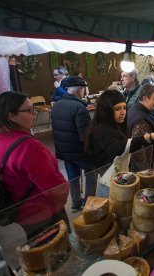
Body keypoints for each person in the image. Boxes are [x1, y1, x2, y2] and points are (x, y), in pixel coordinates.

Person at [0, 91, 69, 239]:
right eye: (29, 110)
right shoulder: (28, 147)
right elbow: (54, 189)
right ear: (11, 115)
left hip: (19, 210)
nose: (34, 113)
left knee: (39, 249)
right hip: (42, 212)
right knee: (59, 249)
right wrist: (65, 186)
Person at [84, 90, 154, 169]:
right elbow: (118, 148)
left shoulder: (116, 124)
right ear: (106, 110)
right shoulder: (101, 129)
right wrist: (149, 136)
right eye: (117, 109)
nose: (123, 112)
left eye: (124, 108)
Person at [51, 76, 96, 213]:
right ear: (80, 90)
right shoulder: (79, 107)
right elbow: (84, 135)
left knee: (73, 178)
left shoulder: (56, 105)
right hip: (80, 152)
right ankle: (89, 204)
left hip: (64, 151)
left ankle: (76, 204)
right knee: (92, 175)